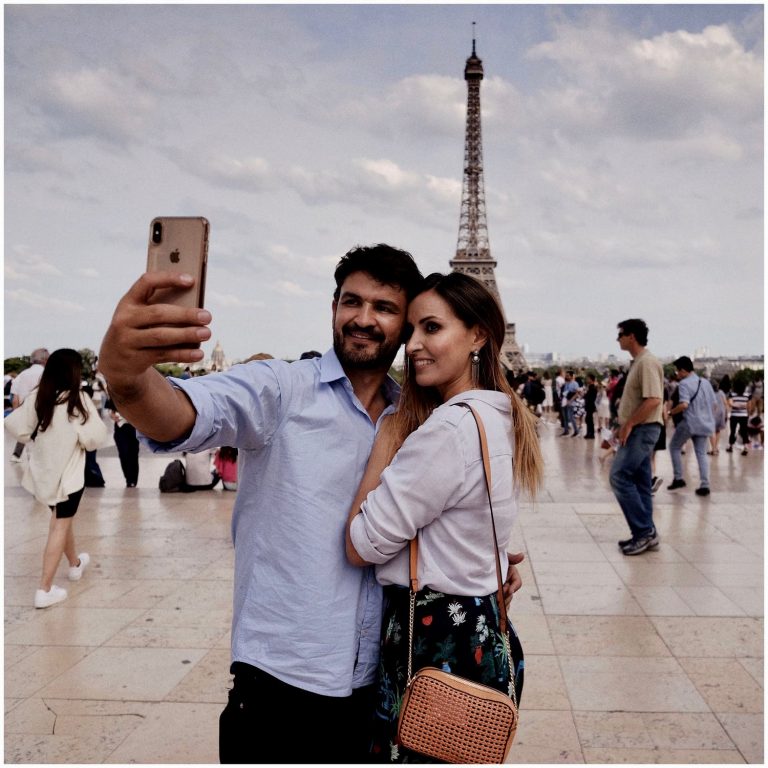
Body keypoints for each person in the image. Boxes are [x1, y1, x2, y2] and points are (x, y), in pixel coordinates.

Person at [97, 244, 526, 764]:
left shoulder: (417, 419)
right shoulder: (281, 390)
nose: (364, 319)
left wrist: (481, 563)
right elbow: (182, 413)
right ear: (333, 308)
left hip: (382, 685)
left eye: (386, 309)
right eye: (351, 302)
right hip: (282, 685)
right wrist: (125, 377)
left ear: (404, 324)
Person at [345, 272, 543, 762]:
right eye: (411, 331)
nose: (412, 346)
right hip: (477, 628)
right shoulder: (499, 416)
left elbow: (360, 544)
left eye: (431, 328)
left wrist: (388, 439)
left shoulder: (449, 428)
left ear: (478, 335)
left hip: (433, 638)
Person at [4, 349, 107, 607]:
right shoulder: (77, 400)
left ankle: (74, 564)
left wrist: (35, 438)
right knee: (59, 525)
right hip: (68, 476)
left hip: (43, 473)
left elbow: (13, 425)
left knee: (61, 519)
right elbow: (95, 438)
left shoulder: (39, 398)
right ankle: (44, 589)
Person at [609, 319, 664, 556]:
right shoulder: (639, 363)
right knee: (641, 484)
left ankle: (643, 532)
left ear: (631, 336)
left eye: (620, 334)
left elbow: (653, 399)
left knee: (619, 476)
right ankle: (646, 532)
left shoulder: (647, 363)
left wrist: (629, 423)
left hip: (643, 428)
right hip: (638, 427)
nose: (618, 339)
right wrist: (621, 424)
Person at [667, 357, 717, 496]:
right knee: (701, 453)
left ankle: (678, 478)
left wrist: (670, 412)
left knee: (674, 447)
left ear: (683, 370)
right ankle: (705, 485)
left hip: (690, 422)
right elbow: (714, 405)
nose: (677, 374)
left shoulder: (684, 384)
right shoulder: (706, 383)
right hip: (705, 423)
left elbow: (684, 404)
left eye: (678, 371)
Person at [9, 347, 49, 462]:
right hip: (42, 412)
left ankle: (17, 455)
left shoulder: (22, 375)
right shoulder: (46, 374)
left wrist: (16, 413)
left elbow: (15, 398)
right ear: (45, 360)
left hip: (24, 411)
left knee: (24, 434)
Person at [106, 398, 140, 487]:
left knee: (133, 454)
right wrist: (113, 416)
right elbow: (110, 411)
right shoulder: (116, 394)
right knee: (123, 454)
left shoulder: (134, 394)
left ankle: (133, 479)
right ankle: (128, 478)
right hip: (120, 428)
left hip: (133, 428)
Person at [726, 379, 751, 456]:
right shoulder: (748, 395)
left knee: (732, 431)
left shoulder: (731, 394)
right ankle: (746, 448)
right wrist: (743, 406)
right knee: (744, 432)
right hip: (744, 416)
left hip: (734, 415)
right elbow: (749, 406)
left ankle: (730, 446)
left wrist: (736, 405)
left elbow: (730, 404)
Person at [708, 378, 729, 455]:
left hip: (712, 413)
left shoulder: (709, 393)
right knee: (718, 431)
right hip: (721, 414)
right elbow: (725, 403)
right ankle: (716, 447)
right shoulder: (721, 392)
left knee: (711, 431)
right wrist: (727, 414)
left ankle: (713, 449)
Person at [583, 373, 598, 439]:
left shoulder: (593, 387)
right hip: (589, 405)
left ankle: (591, 434)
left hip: (590, 406)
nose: (587, 379)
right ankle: (589, 433)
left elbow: (591, 398)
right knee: (588, 419)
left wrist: (585, 395)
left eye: (588, 378)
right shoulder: (590, 387)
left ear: (592, 380)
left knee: (589, 420)